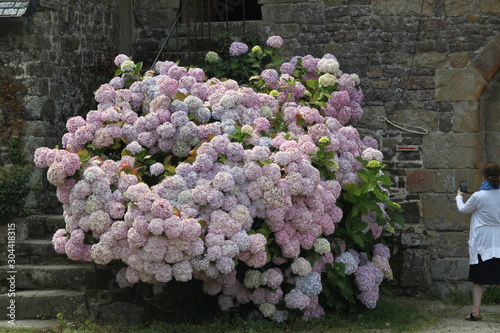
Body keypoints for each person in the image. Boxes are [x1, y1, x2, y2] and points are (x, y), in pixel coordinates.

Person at [456, 161, 500, 321]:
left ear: (483, 176)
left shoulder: (478, 196)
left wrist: (459, 197)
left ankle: (475, 311)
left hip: (482, 241)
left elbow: (463, 210)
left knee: (479, 279)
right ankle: (475, 311)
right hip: (498, 239)